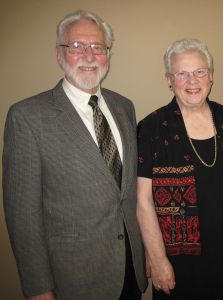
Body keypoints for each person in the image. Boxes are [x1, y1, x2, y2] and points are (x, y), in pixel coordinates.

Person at [3, 10, 147, 300]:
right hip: (73, 278)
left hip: (131, 270)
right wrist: (38, 287)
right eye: (77, 46)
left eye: (98, 47)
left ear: (108, 55)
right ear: (59, 55)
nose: (89, 55)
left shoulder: (124, 107)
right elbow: (23, 215)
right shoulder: (28, 116)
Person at [136, 38, 223, 300]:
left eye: (199, 72)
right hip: (178, 260)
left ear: (211, 76)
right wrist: (158, 260)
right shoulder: (152, 128)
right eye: (182, 73)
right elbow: (143, 202)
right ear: (169, 79)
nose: (192, 81)